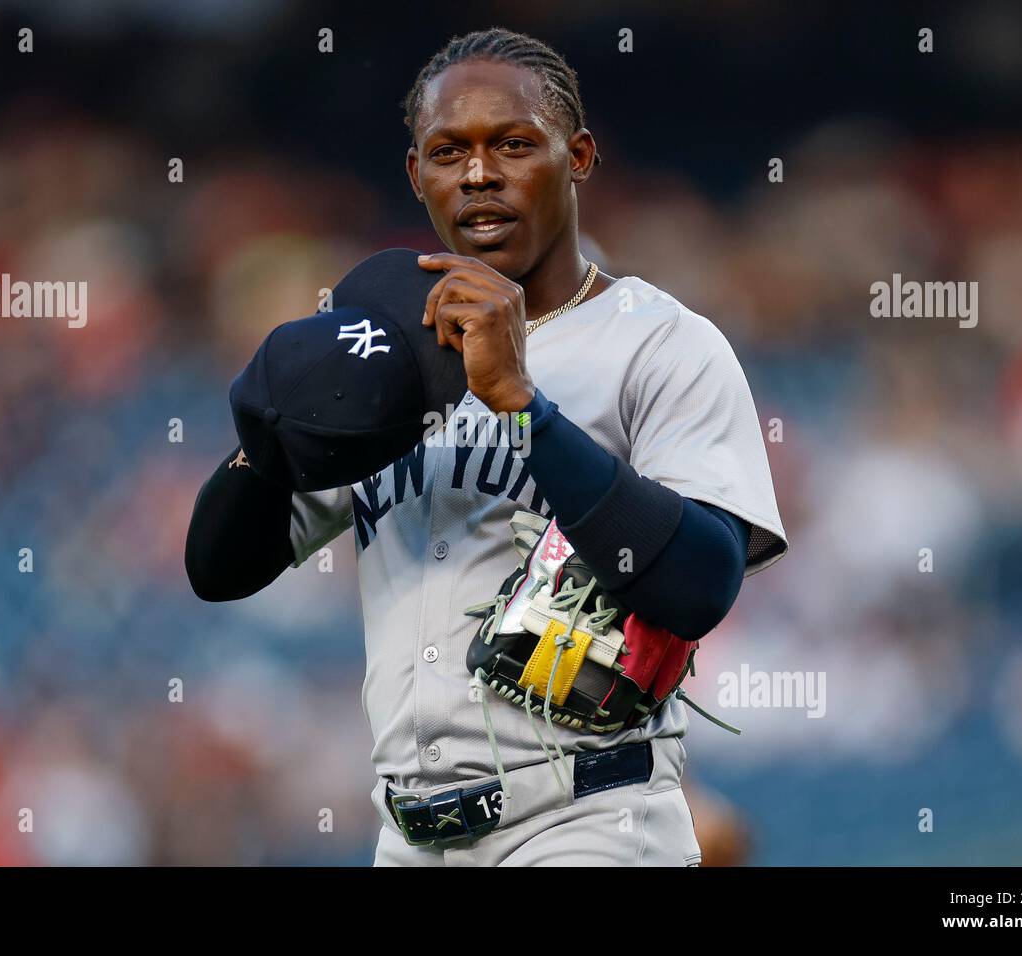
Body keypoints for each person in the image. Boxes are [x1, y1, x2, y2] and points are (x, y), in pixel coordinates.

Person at [185, 27, 787, 866]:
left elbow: (701, 584)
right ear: (415, 174)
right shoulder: (381, 359)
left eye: (512, 144)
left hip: (586, 820)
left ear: (576, 157)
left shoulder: (658, 343)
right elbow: (218, 569)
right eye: (447, 151)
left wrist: (521, 405)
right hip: (409, 837)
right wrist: (267, 430)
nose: (477, 173)